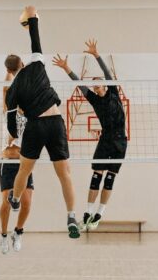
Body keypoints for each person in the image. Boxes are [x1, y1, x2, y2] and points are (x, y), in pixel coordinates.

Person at [5, 5, 79, 239]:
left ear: (10, 70)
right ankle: (71, 216)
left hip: (35, 126)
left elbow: (10, 119)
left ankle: (15, 199)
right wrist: (33, 17)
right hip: (55, 122)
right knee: (64, 174)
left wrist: (15, 136)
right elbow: (35, 41)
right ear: (22, 64)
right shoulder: (36, 65)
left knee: (24, 171)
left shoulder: (12, 89)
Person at [52, 39, 127, 230]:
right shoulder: (94, 99)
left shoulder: (114, 93)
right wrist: (66, 68)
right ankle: (87, 212)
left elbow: (107, 74)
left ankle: (98, 215)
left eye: (99, 84)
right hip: (105, 140)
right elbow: (78, 82)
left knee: (109, 179)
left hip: (120, 141)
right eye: (94, 86)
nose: (96, 87)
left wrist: (96, 55)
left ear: (105, 85)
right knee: (96, 177)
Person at [0, 56, 34, 253]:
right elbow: (5, 89)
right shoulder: (8, 113)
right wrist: (10, 71)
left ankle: (18, 232)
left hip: (24, 163)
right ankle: (3, 236)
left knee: (27, 204)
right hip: (8, 162)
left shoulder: (29, 114)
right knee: (6, 202)